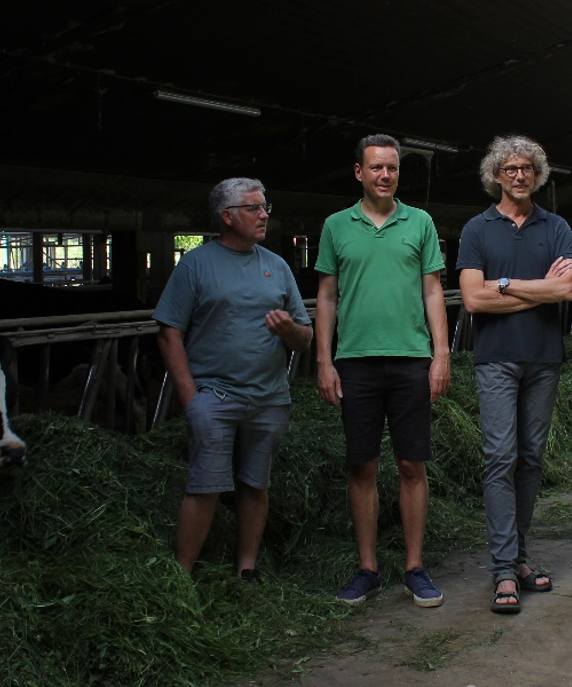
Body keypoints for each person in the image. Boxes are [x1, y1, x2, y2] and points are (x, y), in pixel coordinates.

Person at [154, 177, 314, 584]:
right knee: (205, 486)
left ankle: (247, 567)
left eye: (265, 208)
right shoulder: (195, 264)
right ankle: (182, 575)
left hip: (269, 396)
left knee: (254, 484)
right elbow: (169, 330)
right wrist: (190, 396)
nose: (263, 216)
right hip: (215, 396)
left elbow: (305, 335)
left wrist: (287, 331)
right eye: (253, 208)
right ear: (227, 216)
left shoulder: (276, 265)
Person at [315, 134, 450, 608]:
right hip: (355, 361)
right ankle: (367, 567)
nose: (385, 175)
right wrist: (324, 360)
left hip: (411, 358)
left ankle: (415, 566)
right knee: (362, 464)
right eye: (376, 168)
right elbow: (327, 296)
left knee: (412, 463)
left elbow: (432, 290)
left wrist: (441, 354)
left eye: (392, 168)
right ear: (359, 172)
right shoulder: (336, 225)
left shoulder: (421, 222)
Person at [456, 134, 572, 614]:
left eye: (527, 168)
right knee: (500, 457)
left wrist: (503, 284)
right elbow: (472, 299)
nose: (520, 175)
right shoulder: (477, 229)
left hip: (544, 358)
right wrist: (538, 288)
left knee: (530, 459)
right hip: (497, 360)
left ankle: (518, 557)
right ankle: (504, 570)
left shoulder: (557, 226)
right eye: (510, 169)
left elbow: (566, 292)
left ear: (538, 174)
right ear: (495, 175)